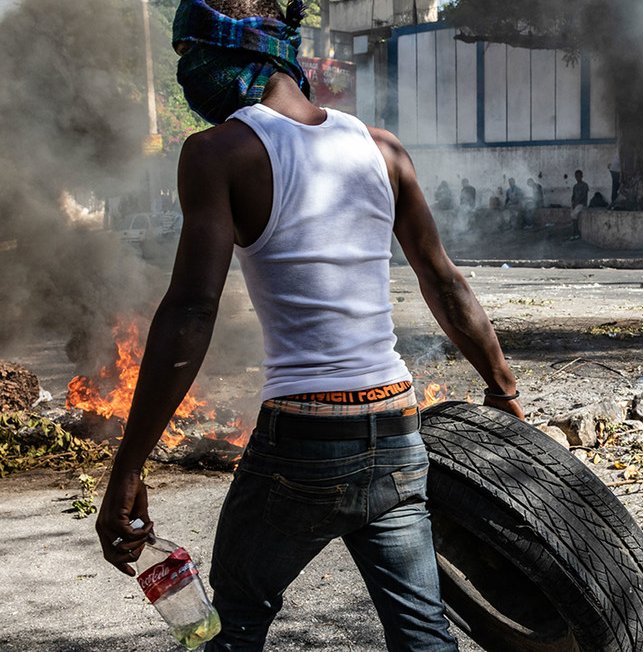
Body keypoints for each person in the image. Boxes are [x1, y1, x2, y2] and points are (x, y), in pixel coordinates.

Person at [95, 1, 524, 650]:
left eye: (191, 59)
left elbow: (191, 310)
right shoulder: (382, 149)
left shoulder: (217, 152)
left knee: (235, 621)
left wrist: (129, 466)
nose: (190, 78)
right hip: (396, 428)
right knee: (423, 634)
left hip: (303, 441)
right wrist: (503, 389)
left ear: (227, 54)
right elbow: (444, 282)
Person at [569, 169, 589, 240]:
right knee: (572, 215)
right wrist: (573, 203)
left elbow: (584, 196)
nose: (577, 178)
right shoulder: (575, 186)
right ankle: (575, 232)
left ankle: (576, 233)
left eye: (579, 176)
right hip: (576, 204)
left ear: (582, 176)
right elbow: (573, 196)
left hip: (582, 204)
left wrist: (577, 203)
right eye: (576, 176)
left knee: (573, 215)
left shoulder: (585, 185)